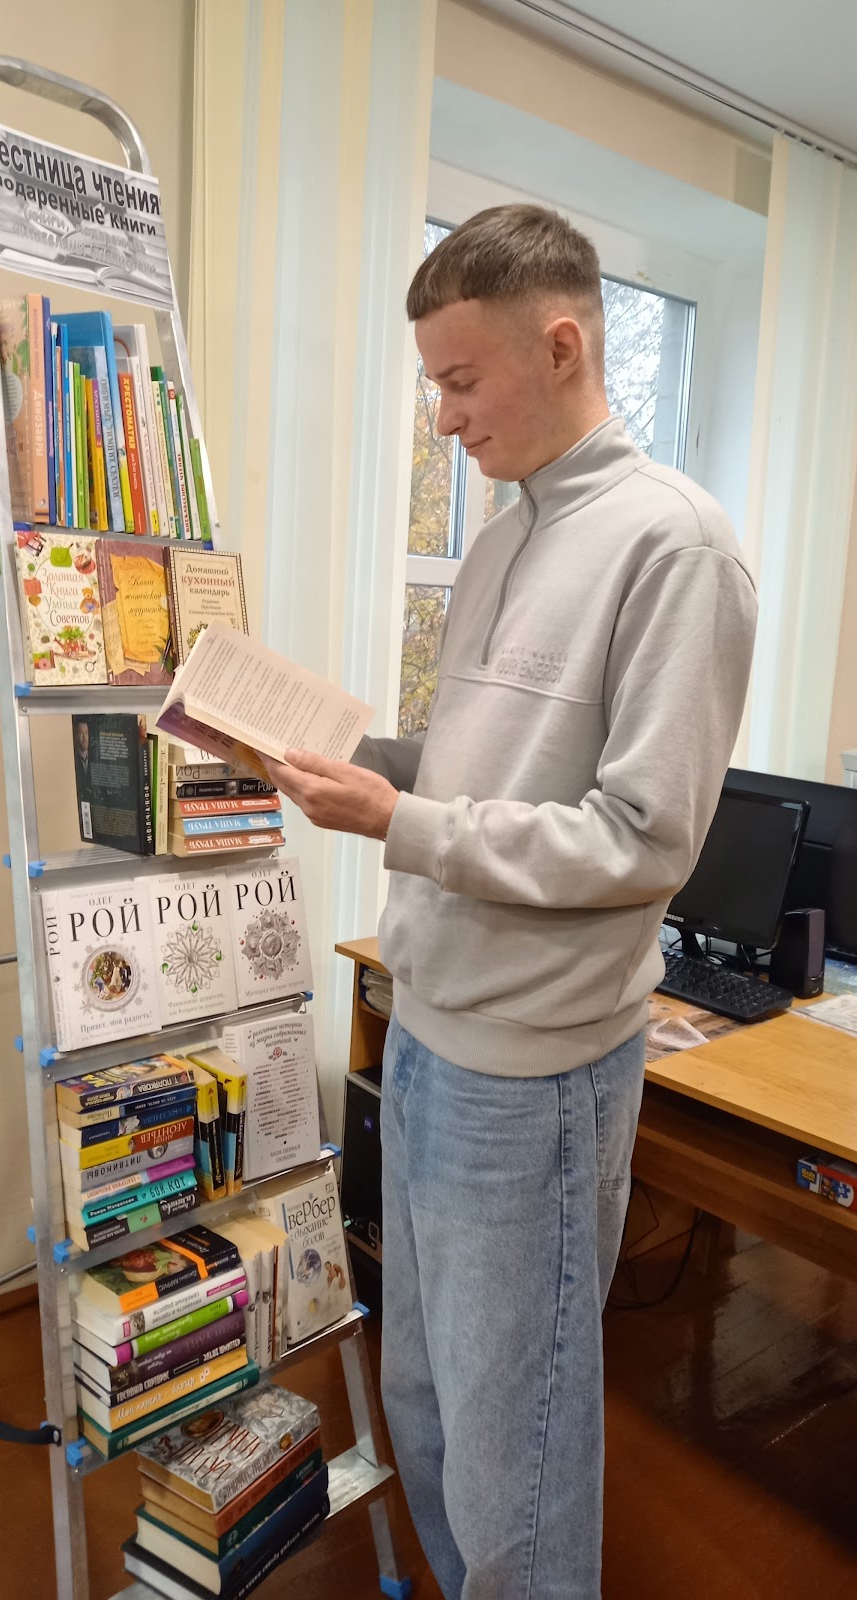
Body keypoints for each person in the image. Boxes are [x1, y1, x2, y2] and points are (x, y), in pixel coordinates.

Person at [262, 204, 757, 1600]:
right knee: (422, 1391)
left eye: (461, 380)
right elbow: (481, 769)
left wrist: (400, 821)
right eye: (434, 384)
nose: (443, 418)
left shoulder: (678, 548)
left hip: (532, 1077)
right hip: (425, 1032)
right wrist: (348, 755)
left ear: (563, 345)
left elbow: (642, 840)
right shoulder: (498, 539)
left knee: (513, 1442)